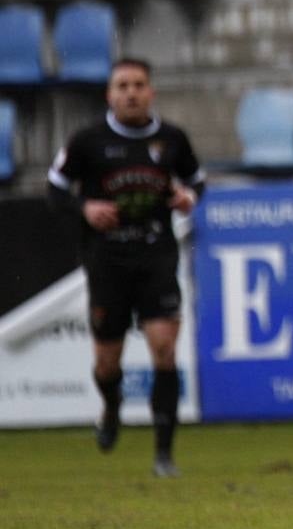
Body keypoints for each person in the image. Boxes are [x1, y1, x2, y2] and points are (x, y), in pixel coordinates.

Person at [47, 58, 205, 479]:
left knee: (164, 349)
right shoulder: (88, 141)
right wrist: (86, 206)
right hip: (107, 261)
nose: (131, 92)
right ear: (109, 94)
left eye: (138, 85)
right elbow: (55, 189)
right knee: (107, 361)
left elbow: (197, 181)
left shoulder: (171, 140)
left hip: (156, 255)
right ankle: (112, 407)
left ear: (151, 91)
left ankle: (164, 455)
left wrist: (189, 196)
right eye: (122, 85)